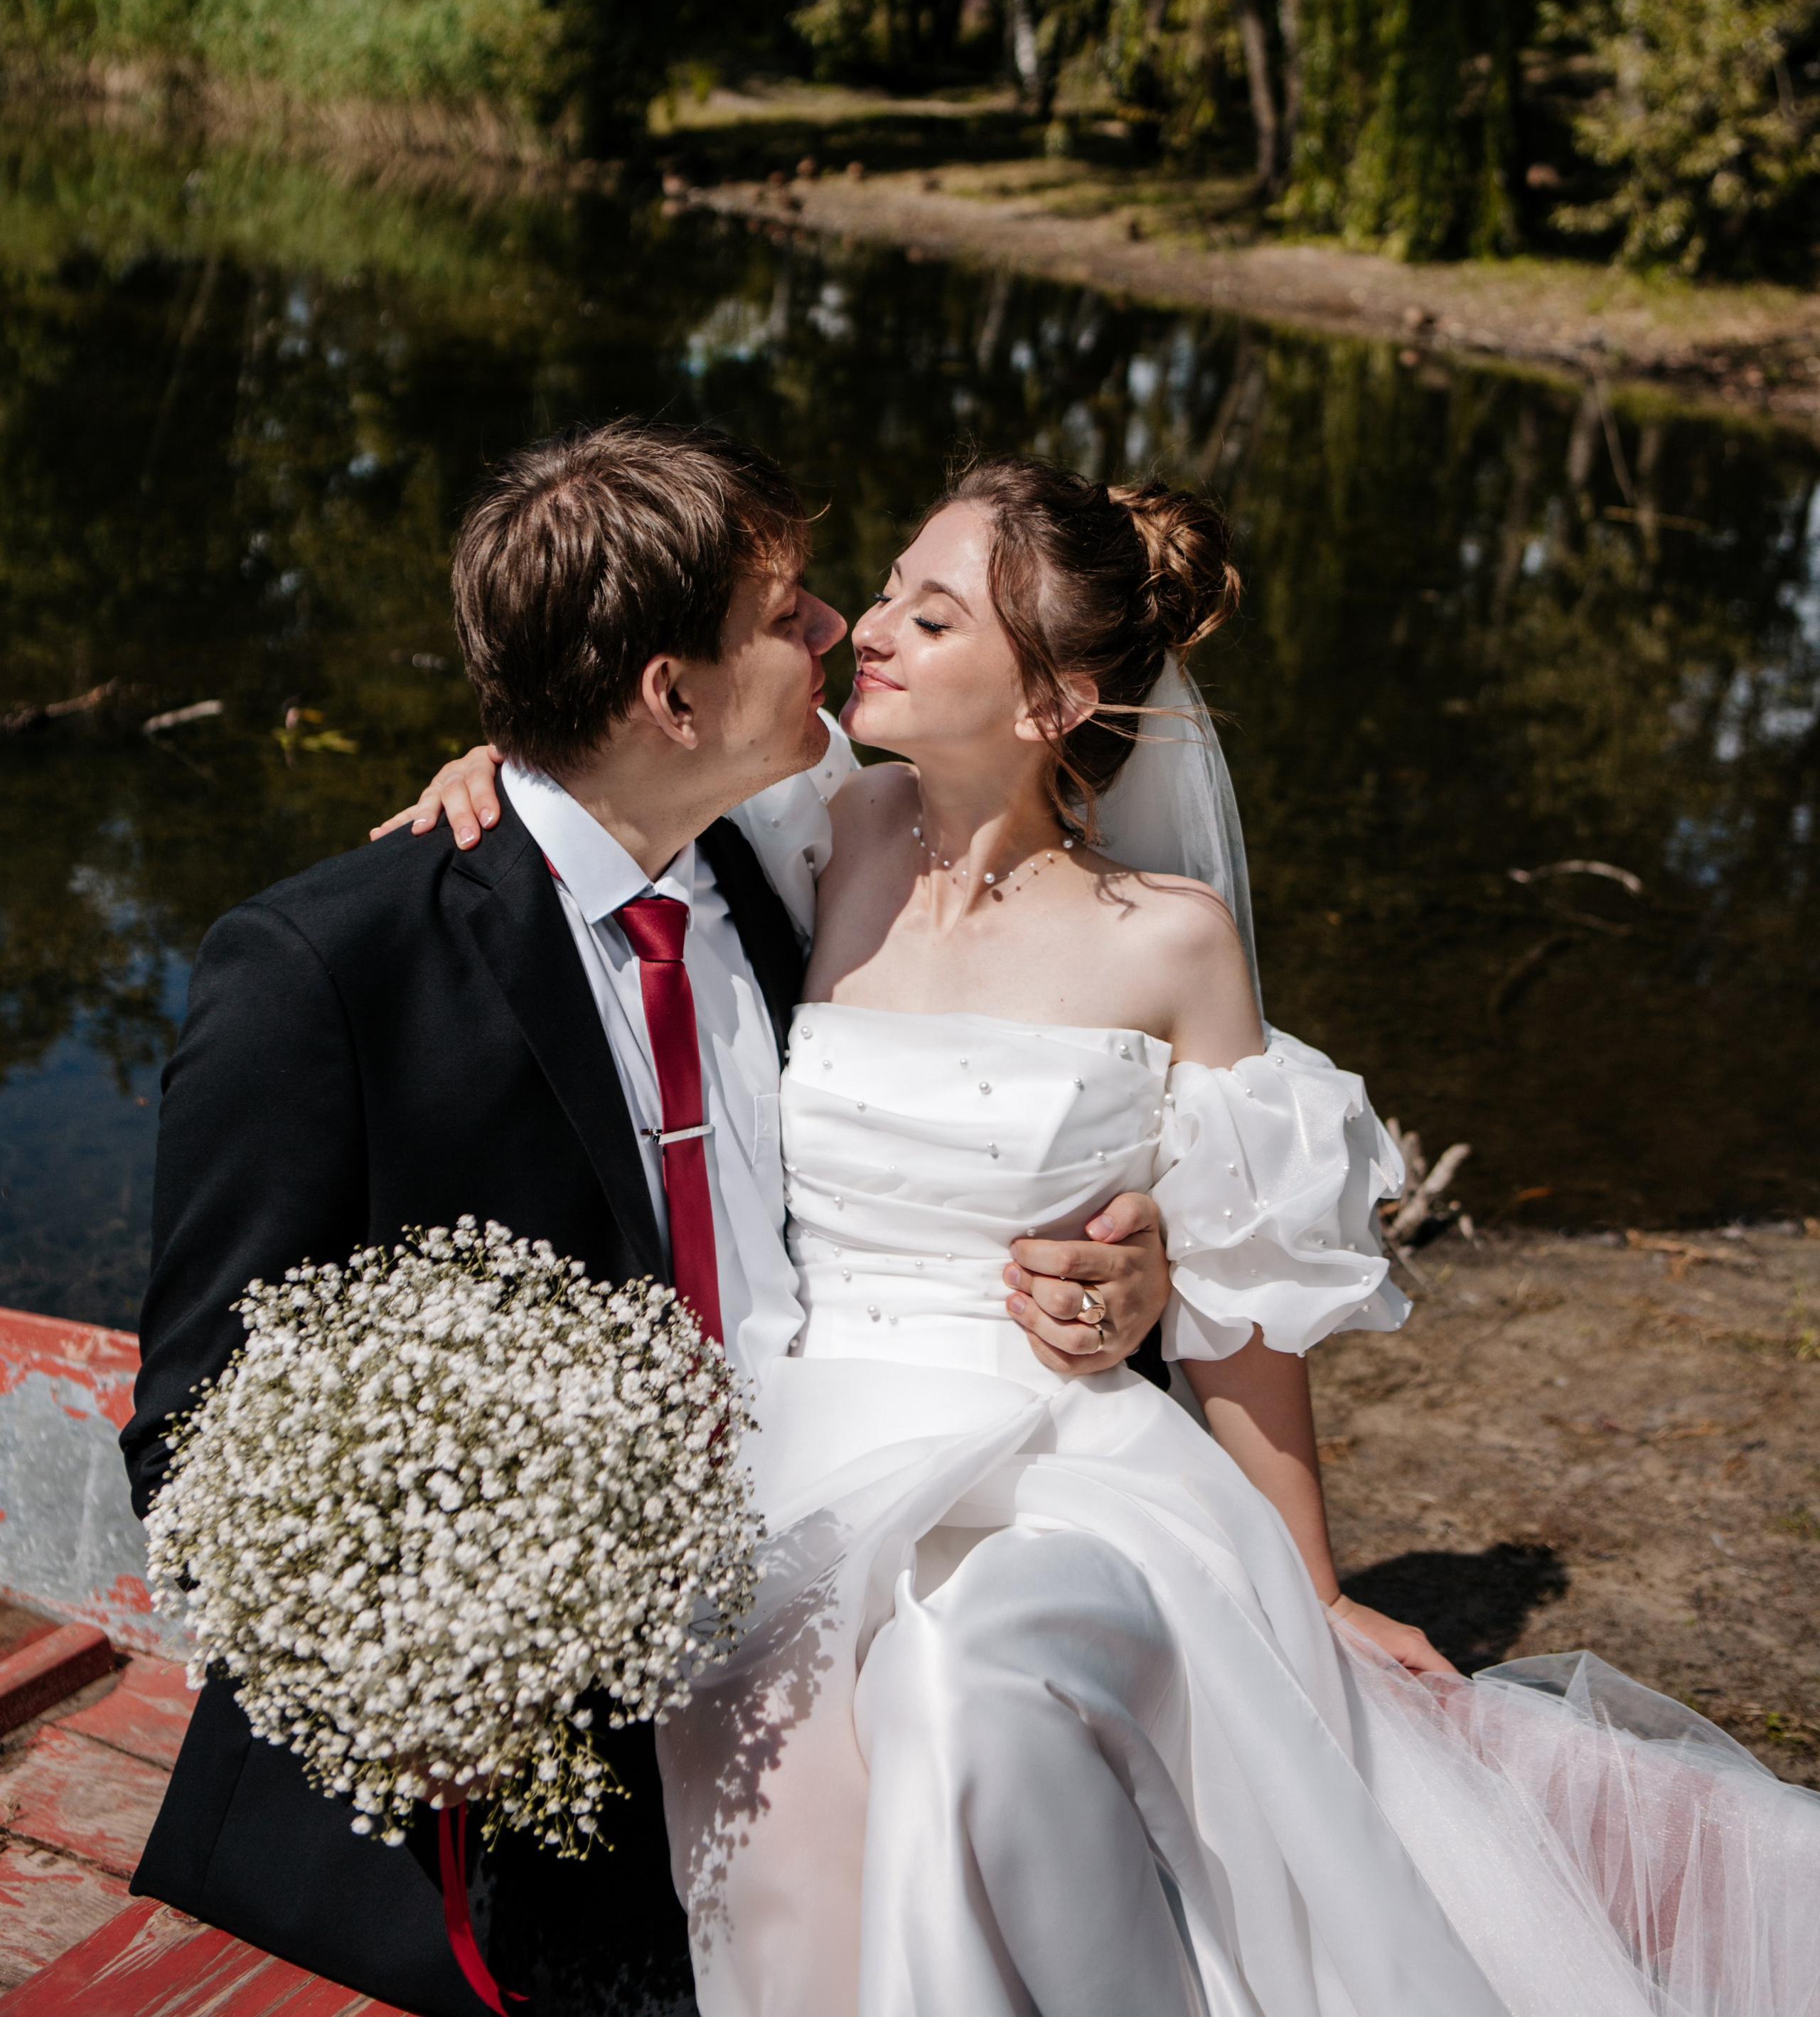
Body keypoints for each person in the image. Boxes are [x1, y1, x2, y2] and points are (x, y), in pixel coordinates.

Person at [416, 454, 1819, 2017]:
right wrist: (496, 765)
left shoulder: (1170, 944)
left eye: (927, 618)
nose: (862, 631)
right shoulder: (810, 831)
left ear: (1050, 705)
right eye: (882, 590)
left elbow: (1241, 1294)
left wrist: (1311, 1581)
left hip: (1064, 1459)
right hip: (812, 1449)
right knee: (835, 1715)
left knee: (972, 1689)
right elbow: (632, 778)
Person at [120, 422, 1173, 2017]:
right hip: (515, 1764)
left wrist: (1123, 1260)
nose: (835, 634)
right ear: (669, 698)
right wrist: (452, 1672)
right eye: (787, 614)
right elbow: (197, 1438)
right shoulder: (332, 969)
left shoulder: (778, 876)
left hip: (828, 1571)